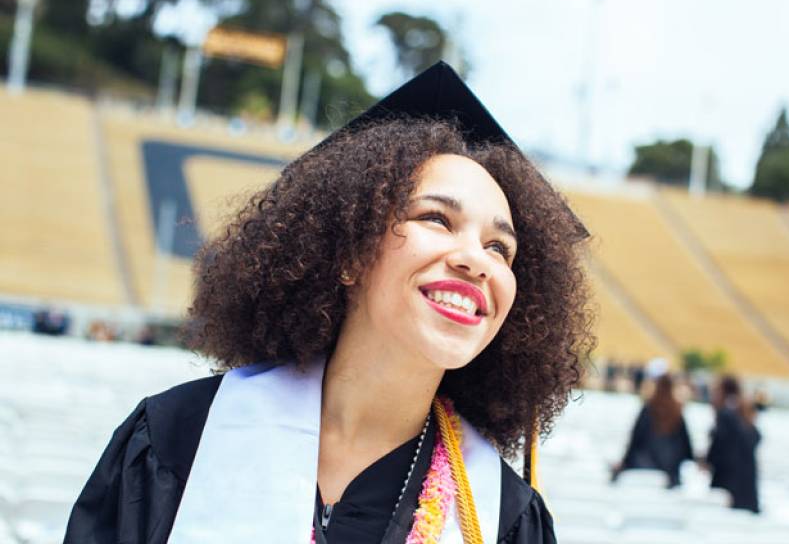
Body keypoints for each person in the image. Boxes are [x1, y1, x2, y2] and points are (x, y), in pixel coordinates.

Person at [64, 62, 595, 543]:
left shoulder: (501, 516)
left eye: (499, 248)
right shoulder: (178, 438)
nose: (476, 260)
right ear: (349, 252)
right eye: (437, 219)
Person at [611, 373, 693, 487]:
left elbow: (635, 439)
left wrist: (624, 462)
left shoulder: (648, 409)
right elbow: (686, 447)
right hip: (669, 472)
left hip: (642, 467)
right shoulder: (677, 413)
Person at [705, 375, 761, 513]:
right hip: (745, 484)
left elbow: (719, 447)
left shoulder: (726, 415)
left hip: (729, 483)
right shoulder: (742, 411)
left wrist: (707, 461)